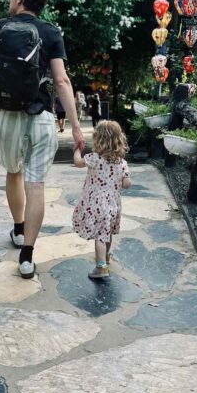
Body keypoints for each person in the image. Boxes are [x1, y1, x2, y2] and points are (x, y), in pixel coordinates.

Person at [0, 0, 85, 279]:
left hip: (6, 117)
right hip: (41, 118)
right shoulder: (50, 33)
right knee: (36, 184)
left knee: (14, 172)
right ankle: (27, 256)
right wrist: (75, 127)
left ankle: (19, 229)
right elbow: (61, 80)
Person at [72, 120, 131, 280]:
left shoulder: (95, 158)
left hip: (97, 204)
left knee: (99, 236)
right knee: (107, 232)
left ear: (98, 139)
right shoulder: (122, 163)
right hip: (113, 205)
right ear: (119, 140)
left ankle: (101, 267)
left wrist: (77, 149)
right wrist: (123, 177)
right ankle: (105, 257)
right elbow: (126, 184)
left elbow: (77, 163)